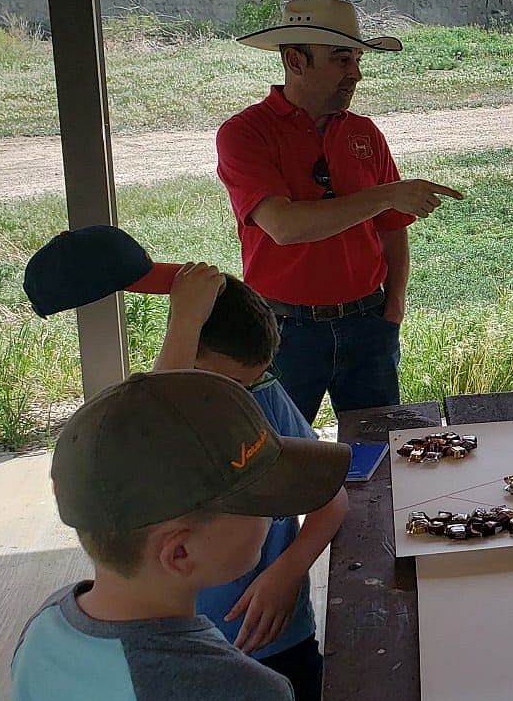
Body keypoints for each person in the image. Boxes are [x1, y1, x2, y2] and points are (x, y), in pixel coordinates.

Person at [10, 370, 350, 701]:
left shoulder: (43, 629)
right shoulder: (243, 688)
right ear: (180, 553)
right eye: (261, 502)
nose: (277, 513)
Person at [217, 0, 464, 423]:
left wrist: (393, 309)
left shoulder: (364, 133)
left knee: (381, 446)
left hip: (368, 323)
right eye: (341, 59)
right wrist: (386, 194)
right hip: (283, 331)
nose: (356, 73)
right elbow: (284, 225)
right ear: (295, 61)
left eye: (357, 59)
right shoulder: (245, 133)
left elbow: (392, 231)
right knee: (278, 450)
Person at [155, 263, 348, 701]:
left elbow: (331, 497)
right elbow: (159, 415)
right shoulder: (149, 417)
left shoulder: (263, 394)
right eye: (232, 383)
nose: (244, 395)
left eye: (255, 378)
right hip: (189, 649)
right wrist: (184, 320)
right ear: (186, 352)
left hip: (277, 635)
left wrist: (288, 572)